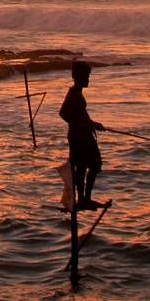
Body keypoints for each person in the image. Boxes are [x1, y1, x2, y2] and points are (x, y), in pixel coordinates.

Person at [60, 60, 106, 211]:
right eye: (85, 76)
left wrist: (92, 123)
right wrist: (81, 125)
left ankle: (85, 198)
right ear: (77, 76)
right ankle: (83, 199)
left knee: (92, 165)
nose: (88, 79)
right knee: (85, 166)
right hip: (78, 138)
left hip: (83, 136)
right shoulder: (73, 94)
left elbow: (81, 116)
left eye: (88, 76)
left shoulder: (78, 93)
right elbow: (64, 113)